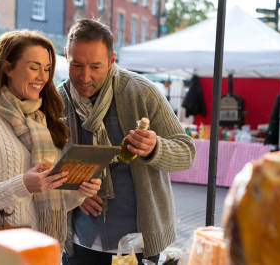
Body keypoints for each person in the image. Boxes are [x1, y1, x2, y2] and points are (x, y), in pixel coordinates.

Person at [58, 19, 196, 265]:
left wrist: (155, 147)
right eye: (76, 65)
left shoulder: (142, 92)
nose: (85, 77)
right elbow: (47, 162)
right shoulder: (58, 100)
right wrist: (73, 190)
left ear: (112, 61)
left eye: (96, 67)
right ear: (66, 55)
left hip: (139, 242)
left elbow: (187, 153)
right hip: (79, 242)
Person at [0, 30, 101, 247]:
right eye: (34, 67)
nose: (43, 77)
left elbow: (51, 203)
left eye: (47, 69)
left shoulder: (43, 122)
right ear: (7, 67)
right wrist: (23, 185)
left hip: (42, 249)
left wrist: (79, 191)